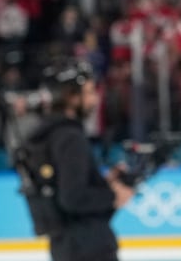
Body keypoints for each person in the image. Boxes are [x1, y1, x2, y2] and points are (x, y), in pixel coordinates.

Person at [16, 59, 134, 261]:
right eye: (89, 92)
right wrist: (112, 196)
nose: (95, 99)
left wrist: (104, 184)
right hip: (88, 246)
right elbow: (72, 197)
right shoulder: (69, 137)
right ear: (71, 97)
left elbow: (68, 187)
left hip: (68, 244)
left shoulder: (53, 133)